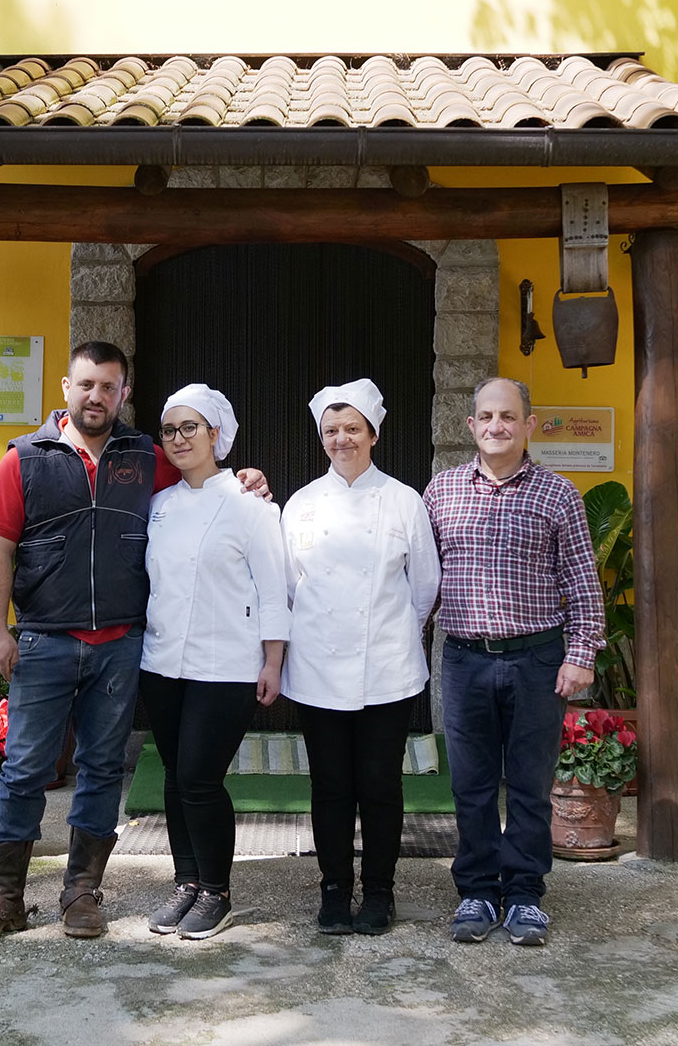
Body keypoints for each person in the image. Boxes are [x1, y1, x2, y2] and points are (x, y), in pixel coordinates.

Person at [0, 342, 268, 943]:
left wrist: (248, 478)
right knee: (24, 769)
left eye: (108, 387)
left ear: (123, 393)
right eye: (86, 384)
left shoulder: (146, 457)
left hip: (120, 645)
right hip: (45, 640)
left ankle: (81, 892)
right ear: (65, 389)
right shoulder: (24, 460)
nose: (95, 396)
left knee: (101, 769)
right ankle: (2, 895)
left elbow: (207, 478)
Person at [422, 377, 603, 947]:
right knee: (471, 785)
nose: (496, 426)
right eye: (485, 416)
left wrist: (580, 656)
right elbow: (418, 578)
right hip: (465, 660)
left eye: (507, 416)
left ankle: (524, 894)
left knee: (529, 784)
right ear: (470, 425)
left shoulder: (558, 494)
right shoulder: (441, 491)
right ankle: (477, 890)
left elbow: (583, 583)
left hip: (536, 660)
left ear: (528, 425)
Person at [281, 379, 439, 936]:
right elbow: (290, 587)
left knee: (379, 784)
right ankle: (333, 890)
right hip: (317, 665)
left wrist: (392, 634)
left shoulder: (402, 500)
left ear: (373, 434)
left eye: (352, 428)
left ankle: (378, 892)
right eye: (331, 430)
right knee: (329, 786)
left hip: (386, 666)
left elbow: (425, 586)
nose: (341, 439)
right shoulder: (301, 504)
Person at [137, 384, 289, 940]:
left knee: (200, 779)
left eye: (190, 427)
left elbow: (274, 589)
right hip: (162, 662)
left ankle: (217, 892)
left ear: (216, 434)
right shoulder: (160, 505)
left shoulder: (251, 506)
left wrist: (273, 661)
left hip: (226, 666)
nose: (179, 439)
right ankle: (187, 882)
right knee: (174, 778)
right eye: (169, 430)